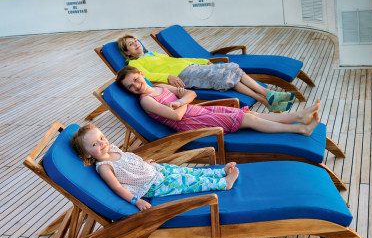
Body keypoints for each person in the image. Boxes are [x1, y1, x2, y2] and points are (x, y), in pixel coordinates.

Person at [70, 123, 239, 211]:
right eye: (94, 144)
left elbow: (128, 162)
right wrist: (136, 201)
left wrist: (145, 164)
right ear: (87, 155)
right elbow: (117, 188)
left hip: (155, 170)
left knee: (188, 171)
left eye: (101, 137)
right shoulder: (105, 167)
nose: (102, 143)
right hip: (152, 186)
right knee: (187, 183)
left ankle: (218, 173)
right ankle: (223, 184)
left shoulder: (112, 148)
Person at [116, 66, 321, 137]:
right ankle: (299, 129)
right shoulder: (147, 101)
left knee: (249, 114)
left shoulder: (161, 87)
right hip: (192, 123)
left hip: (196, 111)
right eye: (130, 87)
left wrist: (181, 101)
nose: (135, 86)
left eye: (136, 80)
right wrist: (182, 103)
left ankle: (298, 116)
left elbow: (190, 94)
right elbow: (178, 115)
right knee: (247, 120)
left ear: (141, 74)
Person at [116, 33, 294, 111]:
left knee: (234, 68)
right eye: (131, 44)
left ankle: (267, 97)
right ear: (127, 53)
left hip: (192, 68)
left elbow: (176, 60)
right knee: (228, 75)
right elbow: (147, 77)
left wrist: (202, 61)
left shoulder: (153, 54)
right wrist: (168, 77)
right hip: (184, 77)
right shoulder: (134, 64)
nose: (136, 44)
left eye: (136, 40)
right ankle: (268, 97)